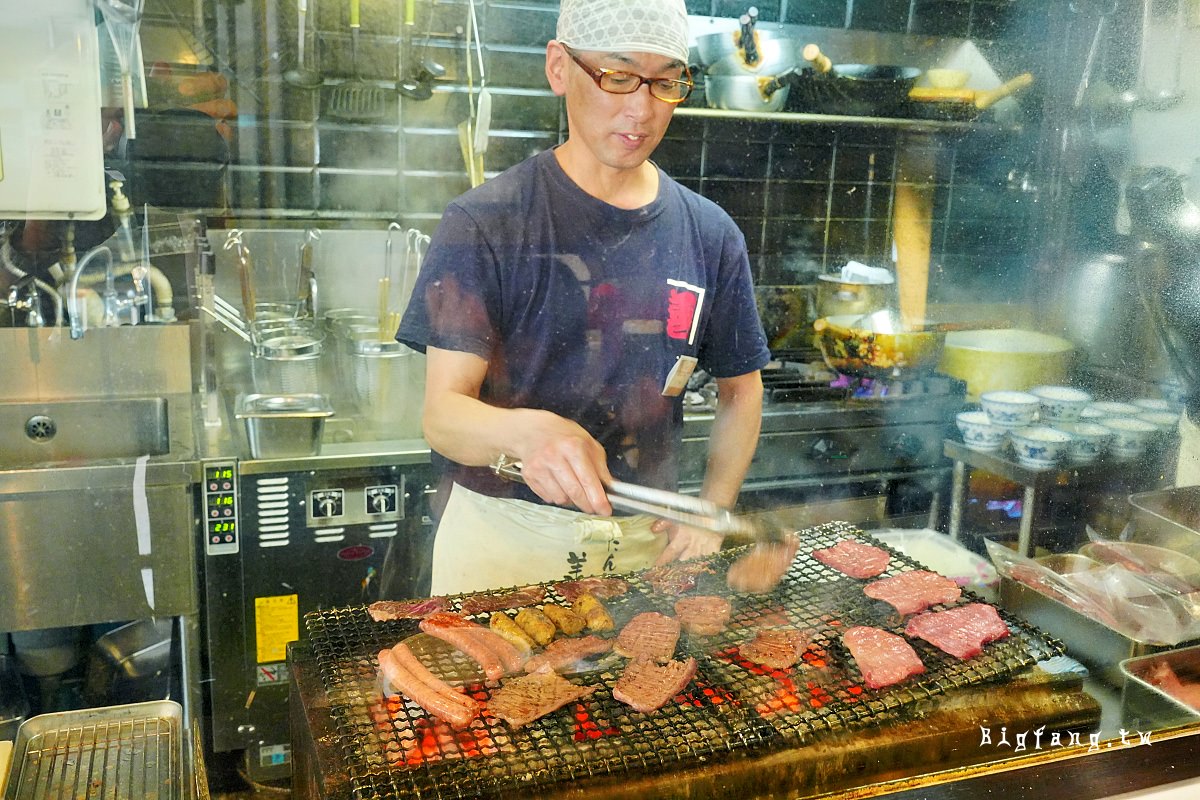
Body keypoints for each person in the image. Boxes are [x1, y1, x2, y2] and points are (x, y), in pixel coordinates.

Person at [397, 0, 770, 595]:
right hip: (503, 544)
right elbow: (443, 415)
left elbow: (741, 391)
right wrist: (528, 434)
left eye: (666, 82)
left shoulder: (711, 234)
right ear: (559, 68)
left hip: (647, 549)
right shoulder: (486, 221)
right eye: (618, 77)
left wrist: (712, 508)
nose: (641, 109)